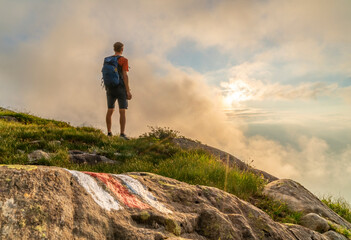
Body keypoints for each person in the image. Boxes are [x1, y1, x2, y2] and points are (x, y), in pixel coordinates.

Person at [105, 42, 132, 139]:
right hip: (120, 88)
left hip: (109, 88)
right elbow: (124, 75)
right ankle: (122, 134)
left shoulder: (107, 60)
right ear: (122, 49)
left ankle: (109, 133)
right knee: (122, 111)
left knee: (110, 110)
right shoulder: (123, 60)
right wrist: (128, 90)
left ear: (114, 49)